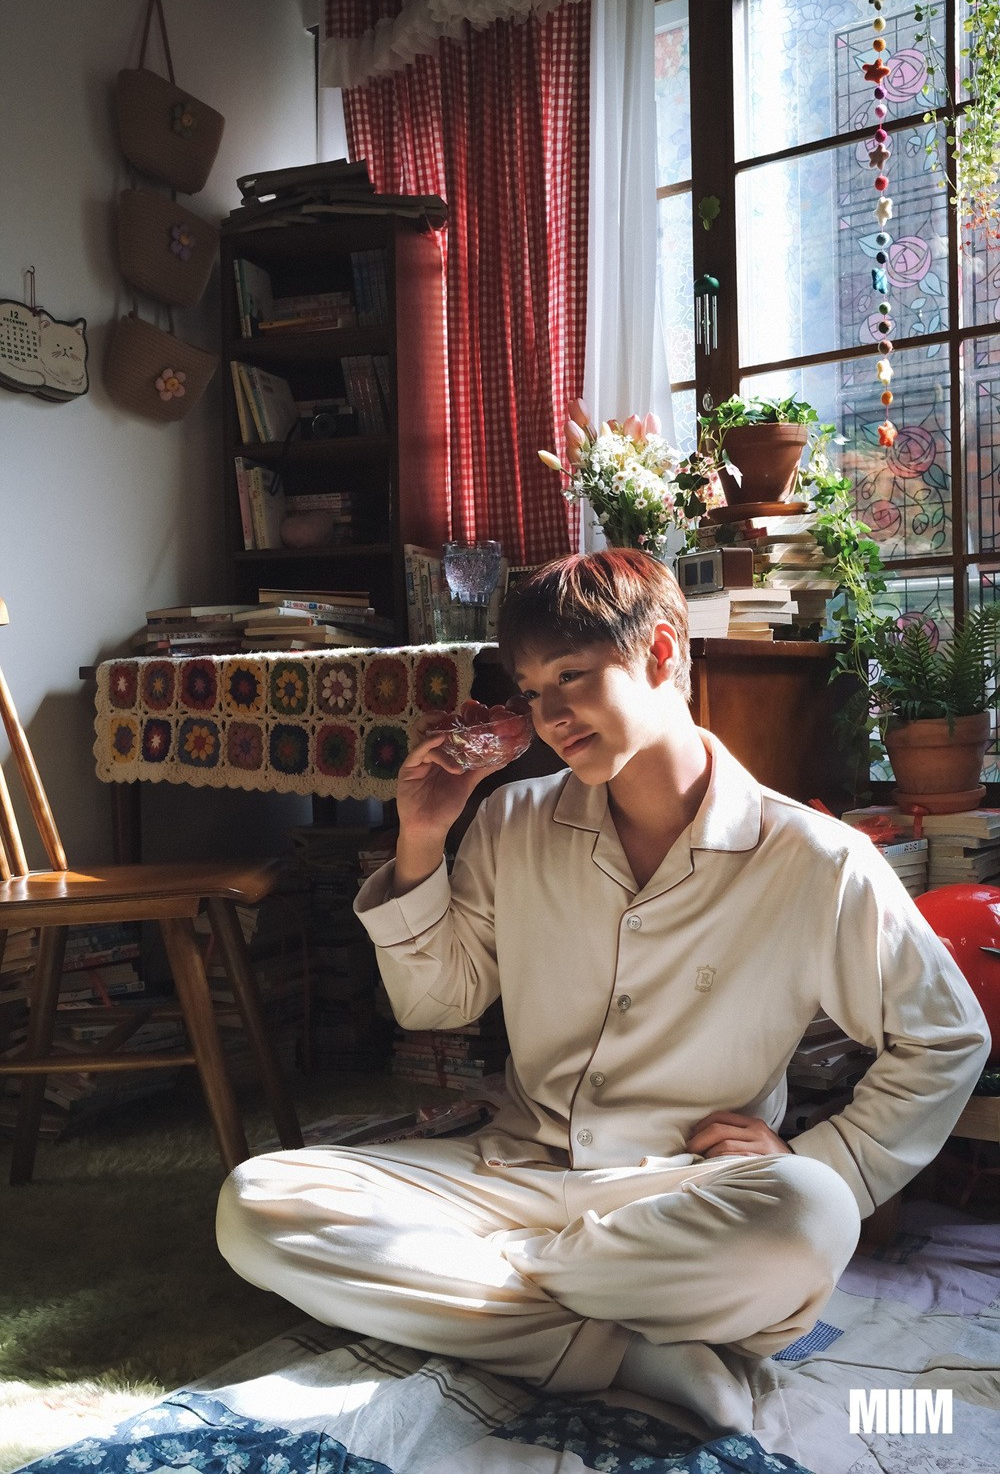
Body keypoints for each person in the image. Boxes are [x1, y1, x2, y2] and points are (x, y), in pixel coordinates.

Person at [217, 548, 989, 1436]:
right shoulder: (511, 821)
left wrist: (830, 1157)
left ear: (661, 653)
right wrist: (421, 838)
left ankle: (480, 1283)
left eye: (571, 677)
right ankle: (626, 1351)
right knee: (259, 1204)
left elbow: (946, 1038)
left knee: (809, 1215)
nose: (548, 716)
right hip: (515, 1170)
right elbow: (436, 1006)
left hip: (687, 1193)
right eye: (530, 690)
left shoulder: (816, 859)